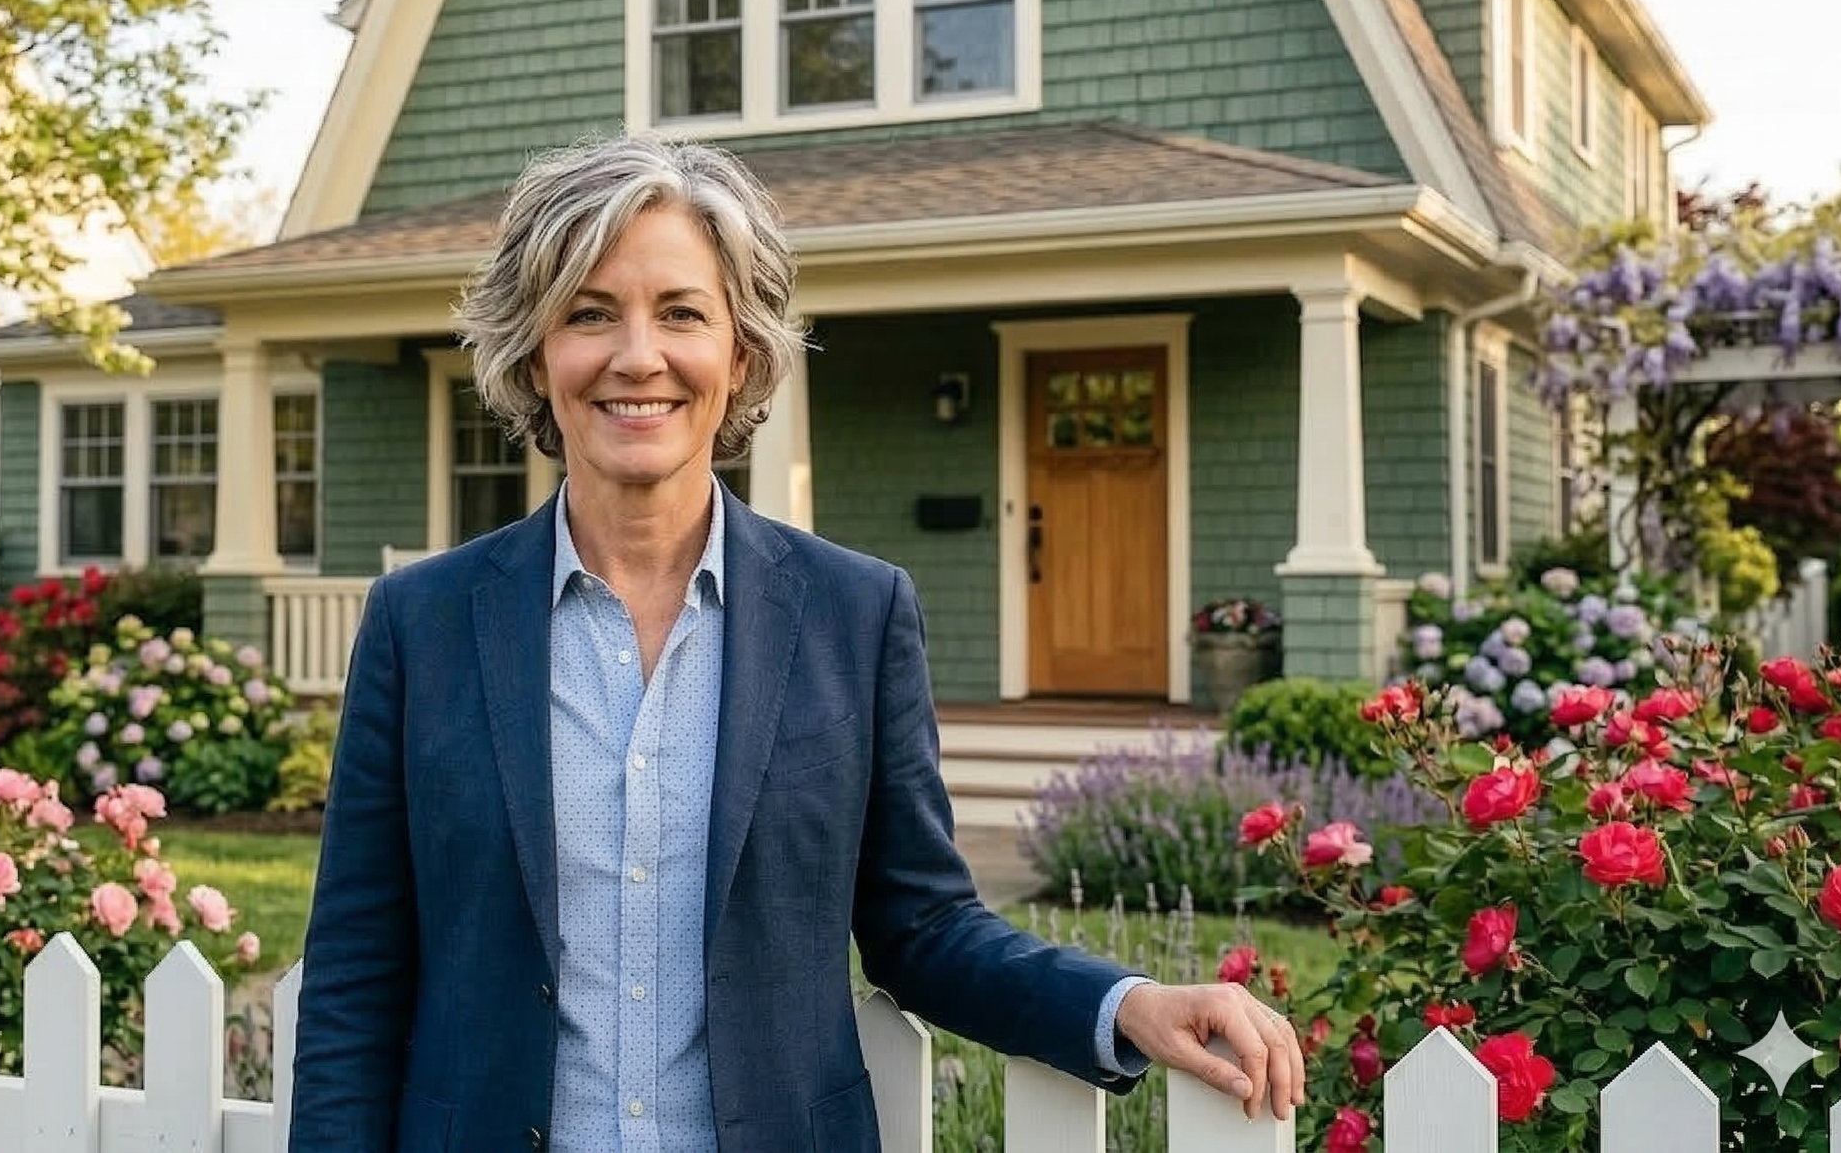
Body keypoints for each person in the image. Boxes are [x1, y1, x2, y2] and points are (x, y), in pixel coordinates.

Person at [290, 133, 1304, 1153]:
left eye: (680, 312)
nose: (636, 355)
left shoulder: (853, 616)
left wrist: (1123, 1002)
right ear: (535, 349)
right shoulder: (420, 624)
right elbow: (354, 975)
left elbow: (923, 928)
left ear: (742, 352)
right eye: (589, 313)